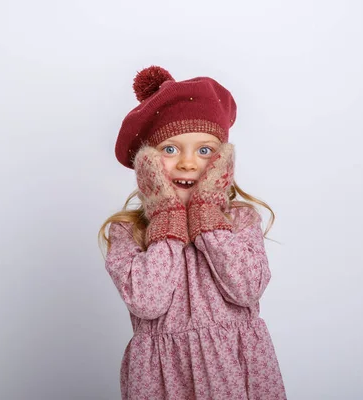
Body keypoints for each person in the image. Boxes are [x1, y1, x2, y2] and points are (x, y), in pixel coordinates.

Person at [98, 65, 287, 399]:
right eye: (170, 150)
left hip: (235, 369)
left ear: (223, 162)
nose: (188, 163)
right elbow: (147, 301)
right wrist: (167, 222)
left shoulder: (241, 221)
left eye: (205, 151)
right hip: (165, 378)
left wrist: (208, 218)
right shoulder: (129, 231)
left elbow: (246, 290)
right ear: (147, 164)